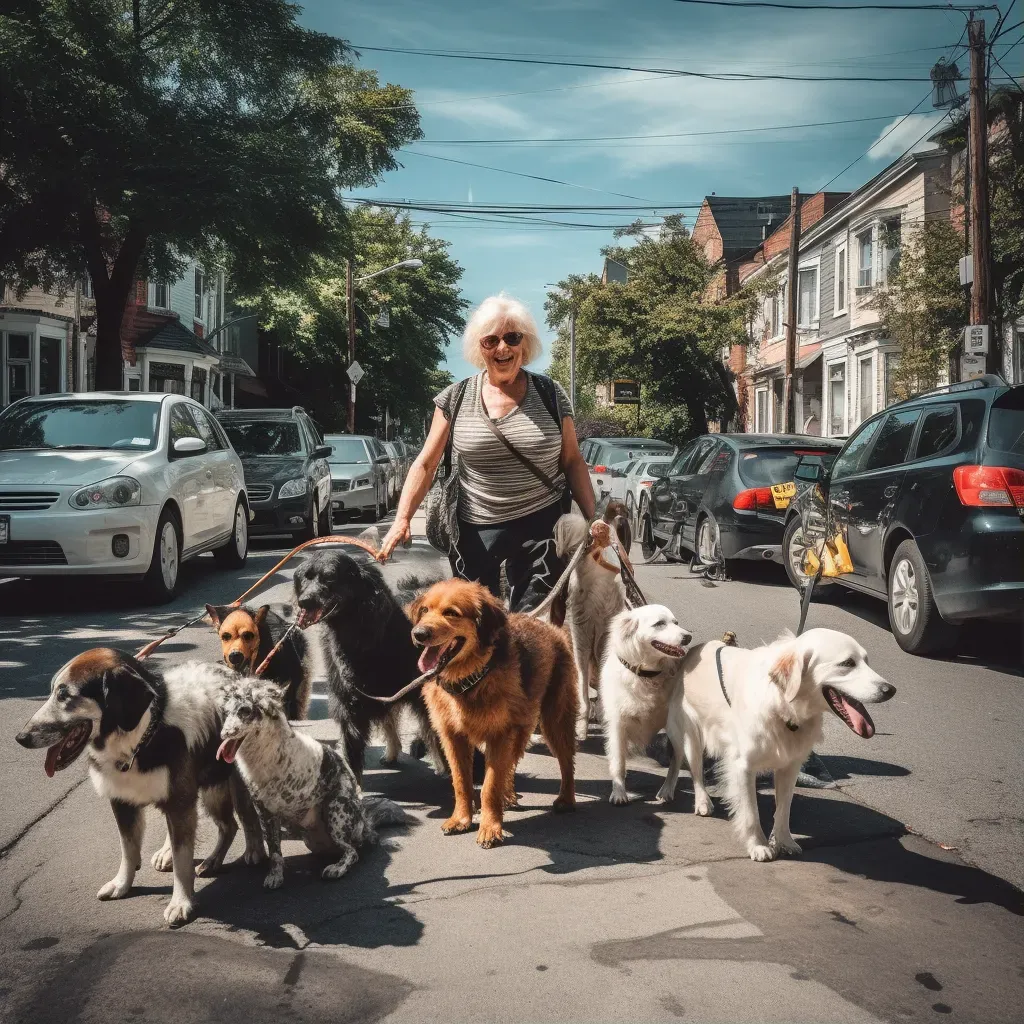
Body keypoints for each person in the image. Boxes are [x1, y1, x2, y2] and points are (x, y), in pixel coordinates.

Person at [379, 293, 595, 610]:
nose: (502, 348)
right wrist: (402, 519)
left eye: (512, 337)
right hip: (476, 528)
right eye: (491, 340)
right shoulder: (455, 397)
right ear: (480, 348)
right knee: (478, 626)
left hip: (542, 524)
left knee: (529, 624)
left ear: (526, 342)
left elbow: (573, 461)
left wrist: (593, 521)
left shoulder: (550, 394)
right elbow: (425, 463)